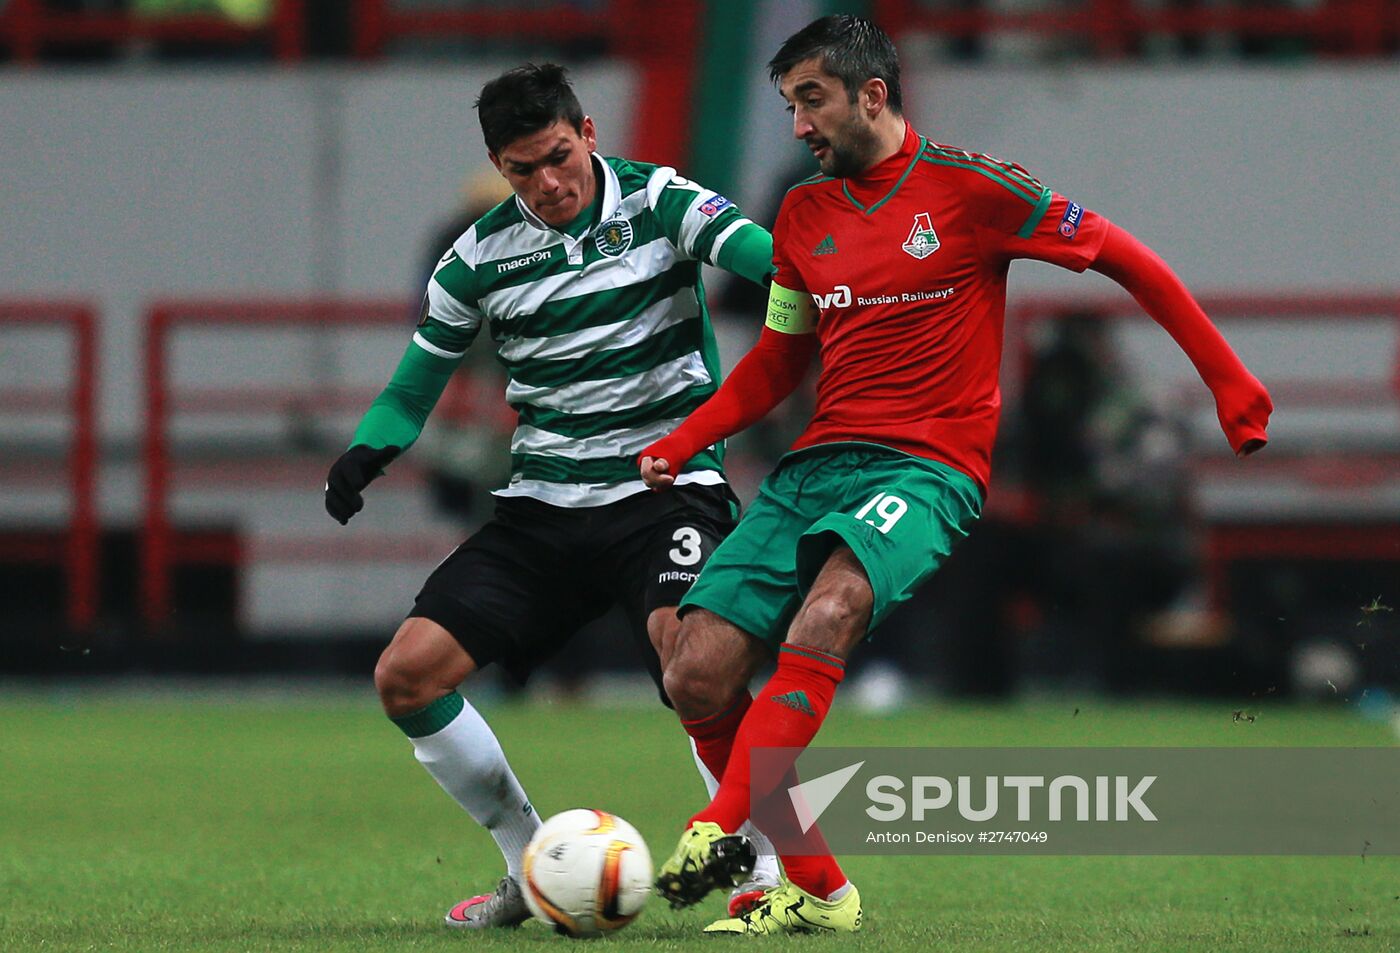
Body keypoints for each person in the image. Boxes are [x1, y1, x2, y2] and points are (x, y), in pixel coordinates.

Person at [639, 15, 1273, 935]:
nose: (797, 127)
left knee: (830, 609)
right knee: (694, 675)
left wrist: (1229, 380)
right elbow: (780, 359)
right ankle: (820, 889)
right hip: (817, 463)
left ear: (872, 94)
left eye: (810, 101)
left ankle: (719, 826)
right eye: (785, 106)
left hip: (929, 465)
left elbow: (1124, 257)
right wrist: (683, 438)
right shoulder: (803, 214)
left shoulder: (976, 189)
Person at [324, 63, 782, 929]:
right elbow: (413, 387)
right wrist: (365, 450)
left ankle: (759, 861)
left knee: (695, 668)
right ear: (501, 167)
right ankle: (529, 865)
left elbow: (766, 259)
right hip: (544, 505)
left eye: (561, 156)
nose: (549, 182)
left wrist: (843, 288)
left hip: (667, 490)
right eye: (524, 168)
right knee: (407, 677)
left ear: (591, 135)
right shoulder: (477, 258)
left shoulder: (662, 203)